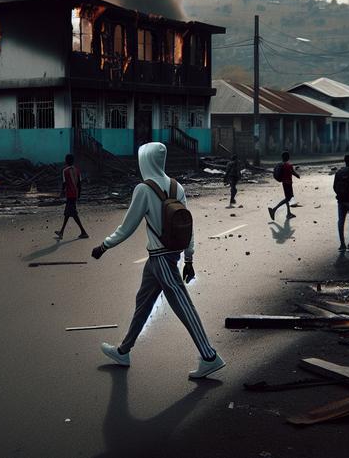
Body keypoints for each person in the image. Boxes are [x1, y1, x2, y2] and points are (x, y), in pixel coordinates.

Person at [90, 142, 225, 379]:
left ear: (146, 161)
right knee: (143, 303)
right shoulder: (177, 187)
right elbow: (188, 226)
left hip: (161, 258)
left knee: (183, 304)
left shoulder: (144, 189)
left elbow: (127, 227)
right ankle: (123, 351)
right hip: (162, 258)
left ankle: (209, 356)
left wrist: (104, 246)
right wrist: (189, 259)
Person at [55, 154, 89, 240]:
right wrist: (79, 194)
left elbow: (64, 184)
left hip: (69, 194)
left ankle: (83, 232)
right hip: (75, 194)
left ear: (66, 161)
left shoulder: (65, 171)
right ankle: (61, 232)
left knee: (73, 213)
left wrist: (61, 193)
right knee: (67, 213)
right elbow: (79, 184)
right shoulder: (77, 170)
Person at [269, 151, 300, 221]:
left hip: (284, 183)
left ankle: (288, 213)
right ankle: (274, 210)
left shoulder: (281, 165)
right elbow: (293, 173)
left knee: (288, 198)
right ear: (288, 158)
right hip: (288, 184)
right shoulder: (289, 165)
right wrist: (298, 175)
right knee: (288, 198)